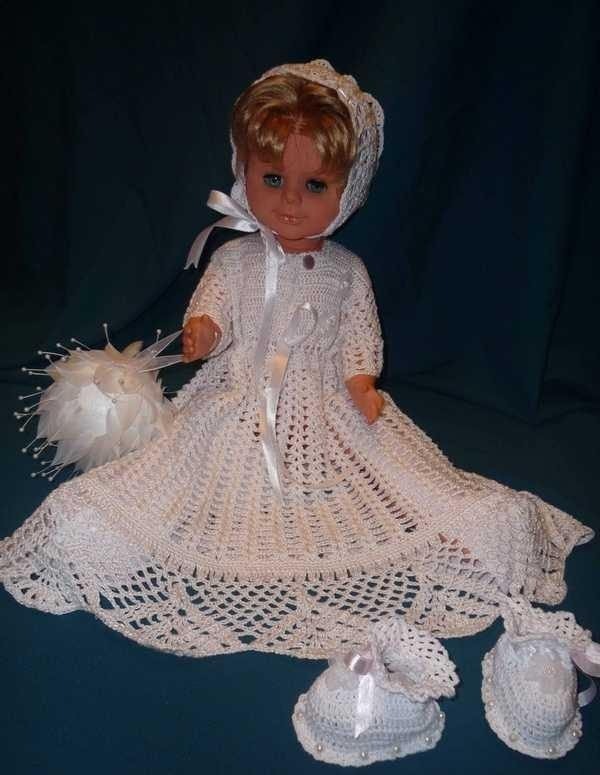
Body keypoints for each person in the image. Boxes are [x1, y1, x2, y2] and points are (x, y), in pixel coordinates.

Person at [0, 60, 593, 660]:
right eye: (272, 177)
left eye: (315, 186)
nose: (289, 200)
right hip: (237, 404)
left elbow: (358, 339)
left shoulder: (346, 271)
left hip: (325, 409)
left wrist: (361, 383)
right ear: (243, 172)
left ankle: (471, 537)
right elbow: (212, 312)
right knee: (167, 479)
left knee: (423, 489)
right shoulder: (234, 260)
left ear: (348, 191)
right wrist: (204, 333)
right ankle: (104, 542)